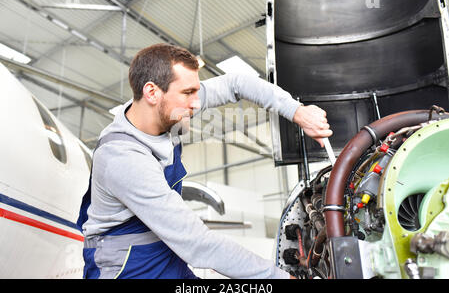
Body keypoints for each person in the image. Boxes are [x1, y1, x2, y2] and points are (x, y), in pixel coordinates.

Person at [77, 43, 332, 279]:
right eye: (188, 92)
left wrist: (297, 111)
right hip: (127, 266)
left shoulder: (168, 107)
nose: (197, 103)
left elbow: (236, 83)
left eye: (196, 91)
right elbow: (197, 244)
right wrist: (281, 277)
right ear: (152, 92)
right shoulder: (122, 158)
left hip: (167, 252)